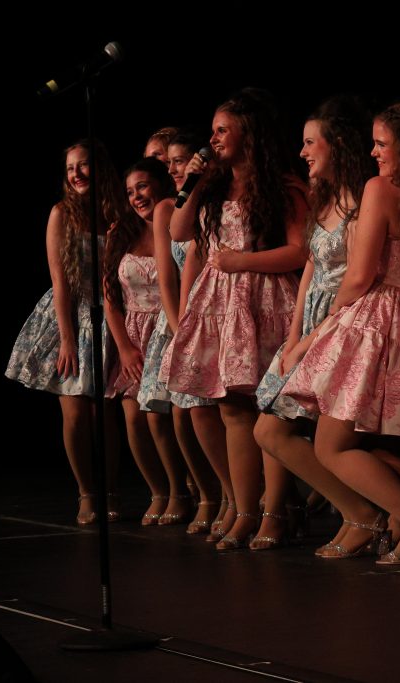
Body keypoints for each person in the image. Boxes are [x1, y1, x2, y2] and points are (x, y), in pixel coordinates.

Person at [281, 98, 400, 565]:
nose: (374, 152)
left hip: (380, 315)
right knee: (370, 440)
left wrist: (328, 323)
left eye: (382, 144)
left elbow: (358, 277)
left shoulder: (380, 189)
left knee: (331, 445)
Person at [167, 89, 306, 550]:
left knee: (265, 406)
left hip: (265, 300)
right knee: (230, 407)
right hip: (221, 305)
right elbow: (178, 231)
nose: (213, 138)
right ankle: (244, 509)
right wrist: (194, 183)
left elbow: (298, 251)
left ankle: (274, 513)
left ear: (250, 133)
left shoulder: (281, 187)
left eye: (222, 129)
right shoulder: (214, 188)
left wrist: (241, 262)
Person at [253, 96, 383, 555]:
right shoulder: (322, 197)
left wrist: (311, 339)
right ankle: (357, 512)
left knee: (286, 432)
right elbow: (309, 268)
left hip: (341, 322)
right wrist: (293, 335)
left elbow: (355, 280)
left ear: (338, 144)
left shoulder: (362, 200)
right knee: (269, 430)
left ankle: (366, 514)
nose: (303, 151)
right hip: (309, 320)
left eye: (312, 142)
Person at [5, 141, 123, 524]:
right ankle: (86, 494)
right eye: (71, 168)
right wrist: (68, 338)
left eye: (84, 166)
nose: (77, 174)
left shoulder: (117, 212)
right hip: (71, 316)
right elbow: (60, 280)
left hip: (111, 317)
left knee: (104, 413)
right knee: (74, 413)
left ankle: (108, 492)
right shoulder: (61, 214)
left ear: (100, 169)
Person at [138, 130, 225, 534]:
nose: (173, 168)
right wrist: (177, 329)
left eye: (180, 160)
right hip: (177, 319)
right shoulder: (166, 209)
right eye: (168, 162)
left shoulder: (206, 200)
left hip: (212, 313)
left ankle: (225, 496)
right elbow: (166, 278)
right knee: (170, 413)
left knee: (209, 411)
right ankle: (200, 492)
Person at [105, 158, 194, 525]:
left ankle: (182, 491)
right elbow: (110, 297)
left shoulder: (173, 226)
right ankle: (158, 490)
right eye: (129, 191)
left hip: (168, 324)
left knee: (166, 418)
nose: (136, 196)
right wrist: (124, 347)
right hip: (134, 334)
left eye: (142, 186)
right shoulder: (120, 232)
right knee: (134, 418)